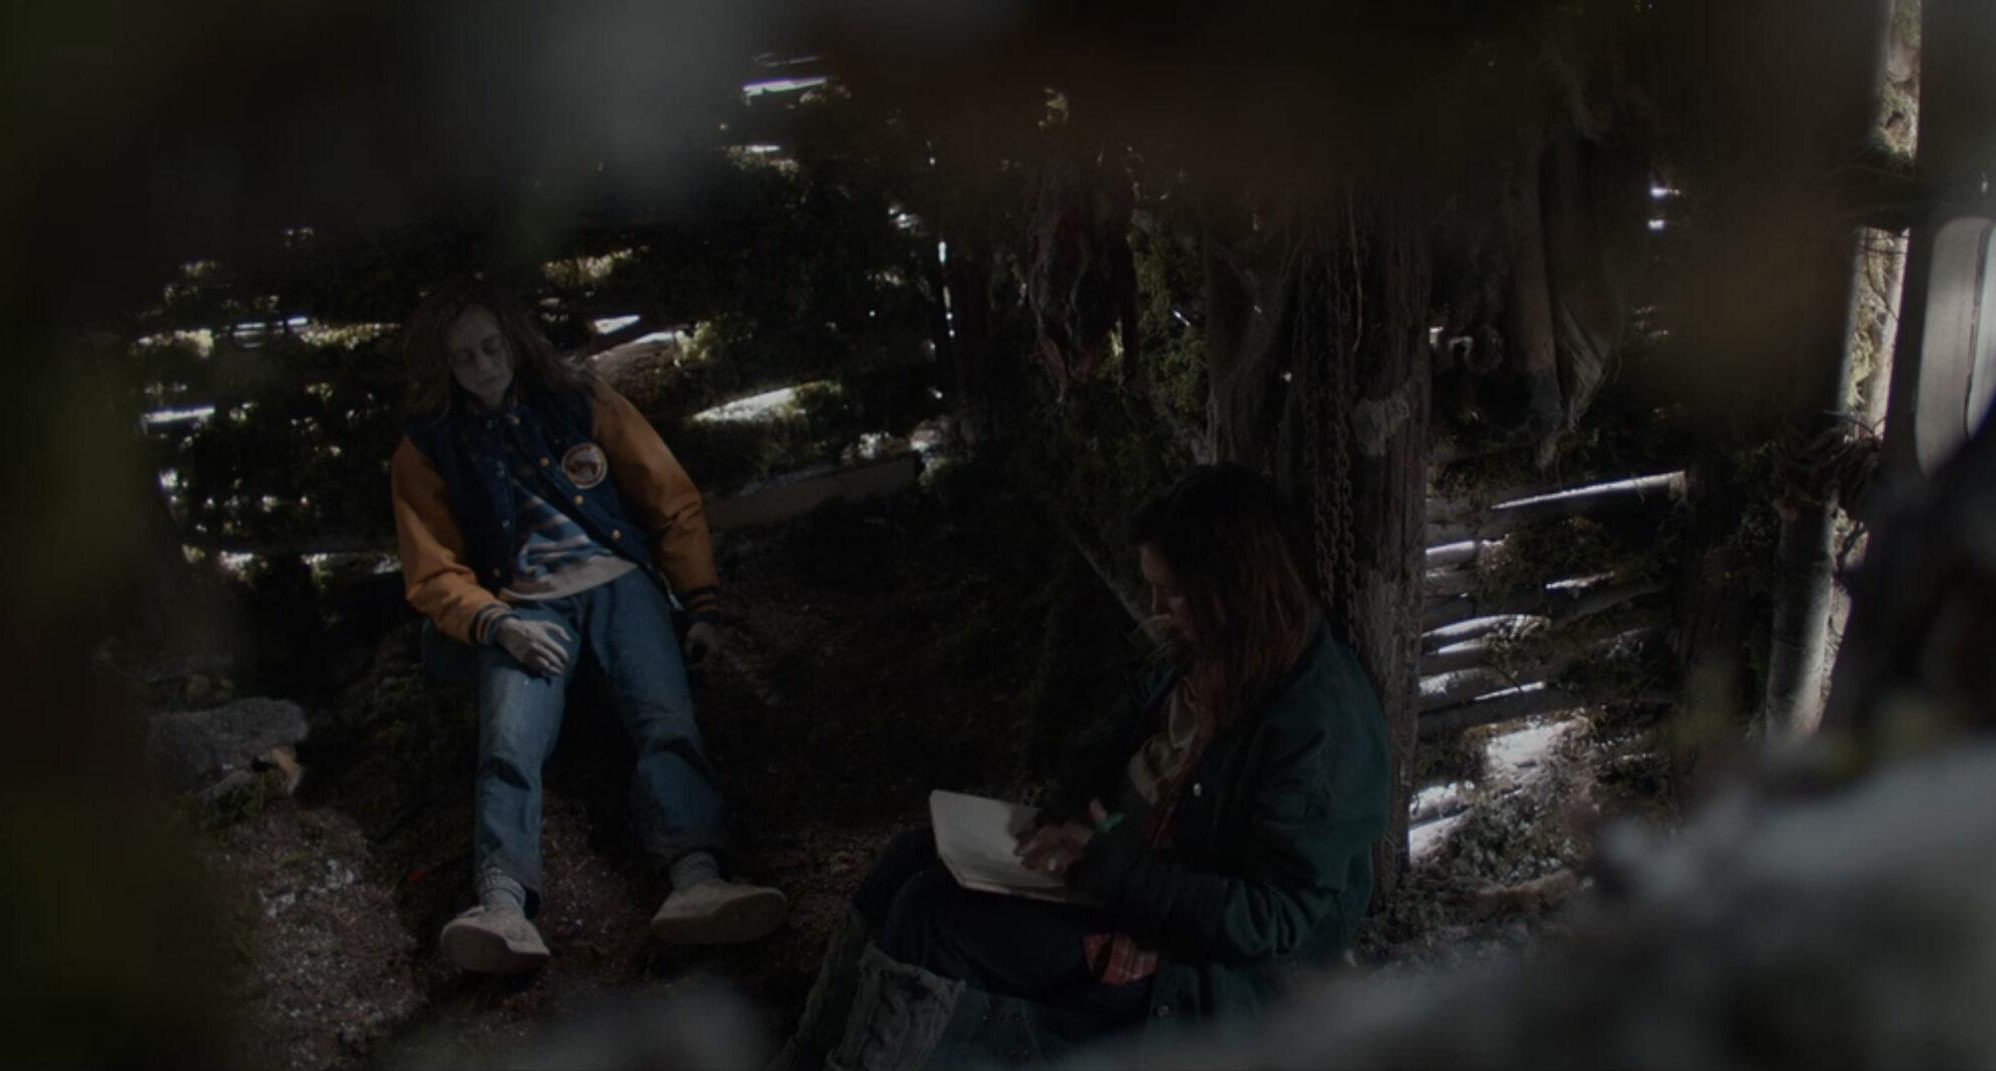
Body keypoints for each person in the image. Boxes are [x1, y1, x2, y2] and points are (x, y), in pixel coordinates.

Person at [772, 464, 1392, 1070]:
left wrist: (1108, 869)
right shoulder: (1208, 652)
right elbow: (1107, 740)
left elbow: (1271, 920)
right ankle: (806, 1054)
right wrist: (1071, 804)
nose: (1155, 607)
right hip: (1126, 870)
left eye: (1172, 590)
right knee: (906, 857)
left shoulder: (1317, 725)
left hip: (1195, 958)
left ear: (1234, 588)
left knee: (931, 914)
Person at [389, 282, 785, 974]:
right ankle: (502, 905)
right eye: (463, 357)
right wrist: (495, 623)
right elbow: (433, 568)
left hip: (619, 581)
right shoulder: (426, 449)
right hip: (524, 605)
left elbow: (669, 495)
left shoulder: (581, 399)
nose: (482, 366)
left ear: (514, 341)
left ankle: (698, 877)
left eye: (491, 347)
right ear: (443, 367)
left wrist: (700, 602)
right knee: (508, 742)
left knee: (664, 720)